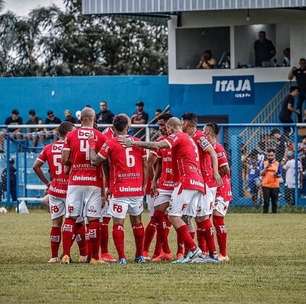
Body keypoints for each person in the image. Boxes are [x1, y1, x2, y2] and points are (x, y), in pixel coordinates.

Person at [119, 117, 219, 264]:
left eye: (167, 128)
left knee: (173, 216)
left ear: (171, 128)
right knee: (172, 214)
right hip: (197, 183)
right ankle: (183, 253)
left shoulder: (177, 135)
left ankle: (194, 250)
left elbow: (158, 145)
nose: (166, 131)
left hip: (186, 181)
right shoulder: (189, 138)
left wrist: (133, 143)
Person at [89, 114, 147, 265]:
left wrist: (91, 145)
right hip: (136, 189)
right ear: (128, 126)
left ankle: (122, 258)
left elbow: (95, 161)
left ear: (113, 128)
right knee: (138, 223)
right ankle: (139, 256)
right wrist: (144, 184)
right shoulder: (138, 142)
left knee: (118, 224)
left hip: (120, 189)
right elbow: (146, 165)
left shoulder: (110, 142)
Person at [61, 107, 107, 264]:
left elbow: (64, 159)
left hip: (75, 181)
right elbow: (104, 161)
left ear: (81, 119)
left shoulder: (71, 135)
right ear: (94, 119)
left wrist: (74, 162)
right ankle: (94, 257)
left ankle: (66, 255)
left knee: (71, 217)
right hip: (94, 182)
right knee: (93, 220)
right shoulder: (101, 136)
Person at [33, 122, 78, 263]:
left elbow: (36, 166)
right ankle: (74, 254)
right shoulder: (72, 147)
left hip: (55, 190)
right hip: (71, 190)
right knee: (76, 223)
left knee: (56, 224)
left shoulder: (48, 148)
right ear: (68, 133)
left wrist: (47, 183)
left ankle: (53, 256)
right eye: (74, 131)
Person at [181, 113, 221, 260]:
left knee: (203, 217)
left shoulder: (199, 137)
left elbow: (212, 153)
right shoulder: (187, 137)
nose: (181, 124)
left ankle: (213, 254)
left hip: (206, 183)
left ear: (189, 123)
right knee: (189, 217)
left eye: (182, 122)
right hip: (195, 182)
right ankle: (196, 253)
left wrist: (215, 172)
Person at [143, 113, 174, 262]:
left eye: (163, 125)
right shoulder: (161, 141)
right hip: (161, 187)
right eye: (159, 125)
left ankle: (170, 252)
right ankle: (150, 252)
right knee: (157, 219)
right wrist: (153, 182)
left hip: (178, 186)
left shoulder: (180, 140)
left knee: (173, 220)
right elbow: (150, 163)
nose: (160, 128)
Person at [204, 123, 232, 262]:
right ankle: (207, 252)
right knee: (205, 218)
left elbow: (226, 169)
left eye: (205, 131)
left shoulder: (218, 148)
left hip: (221, 189)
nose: (203, 133)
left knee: (217, 218)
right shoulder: (207, 148)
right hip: (211, 188)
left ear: (210, 133)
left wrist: (214, 176)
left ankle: (223, 254)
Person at [260, 149, 282, 213]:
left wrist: (277, 174)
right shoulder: (264, 163)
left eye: (272, 155)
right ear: (267, 156)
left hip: (275, 185)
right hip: (265, 185)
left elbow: (280, 174)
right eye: (269, 155)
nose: (270, 157)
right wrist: (266, 168)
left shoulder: (278, 164)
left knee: (274, 202)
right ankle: (265, 215)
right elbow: (261, 173)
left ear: (274, 155)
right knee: (266, 202)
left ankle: (274, 215)